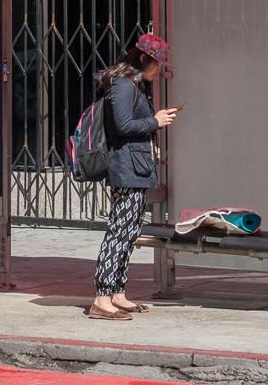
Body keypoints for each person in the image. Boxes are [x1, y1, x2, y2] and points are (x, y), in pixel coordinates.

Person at [89, 34, 178, 321]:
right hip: (126, 170)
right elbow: (124, 125)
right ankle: (102, 297)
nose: (159, 71)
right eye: (157, 65)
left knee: (129, 231)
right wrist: (156, 121)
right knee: (119, 230)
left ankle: (117, 292)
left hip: (135, 168)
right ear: (142, 59)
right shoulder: (124, 86)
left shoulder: (132, 85)